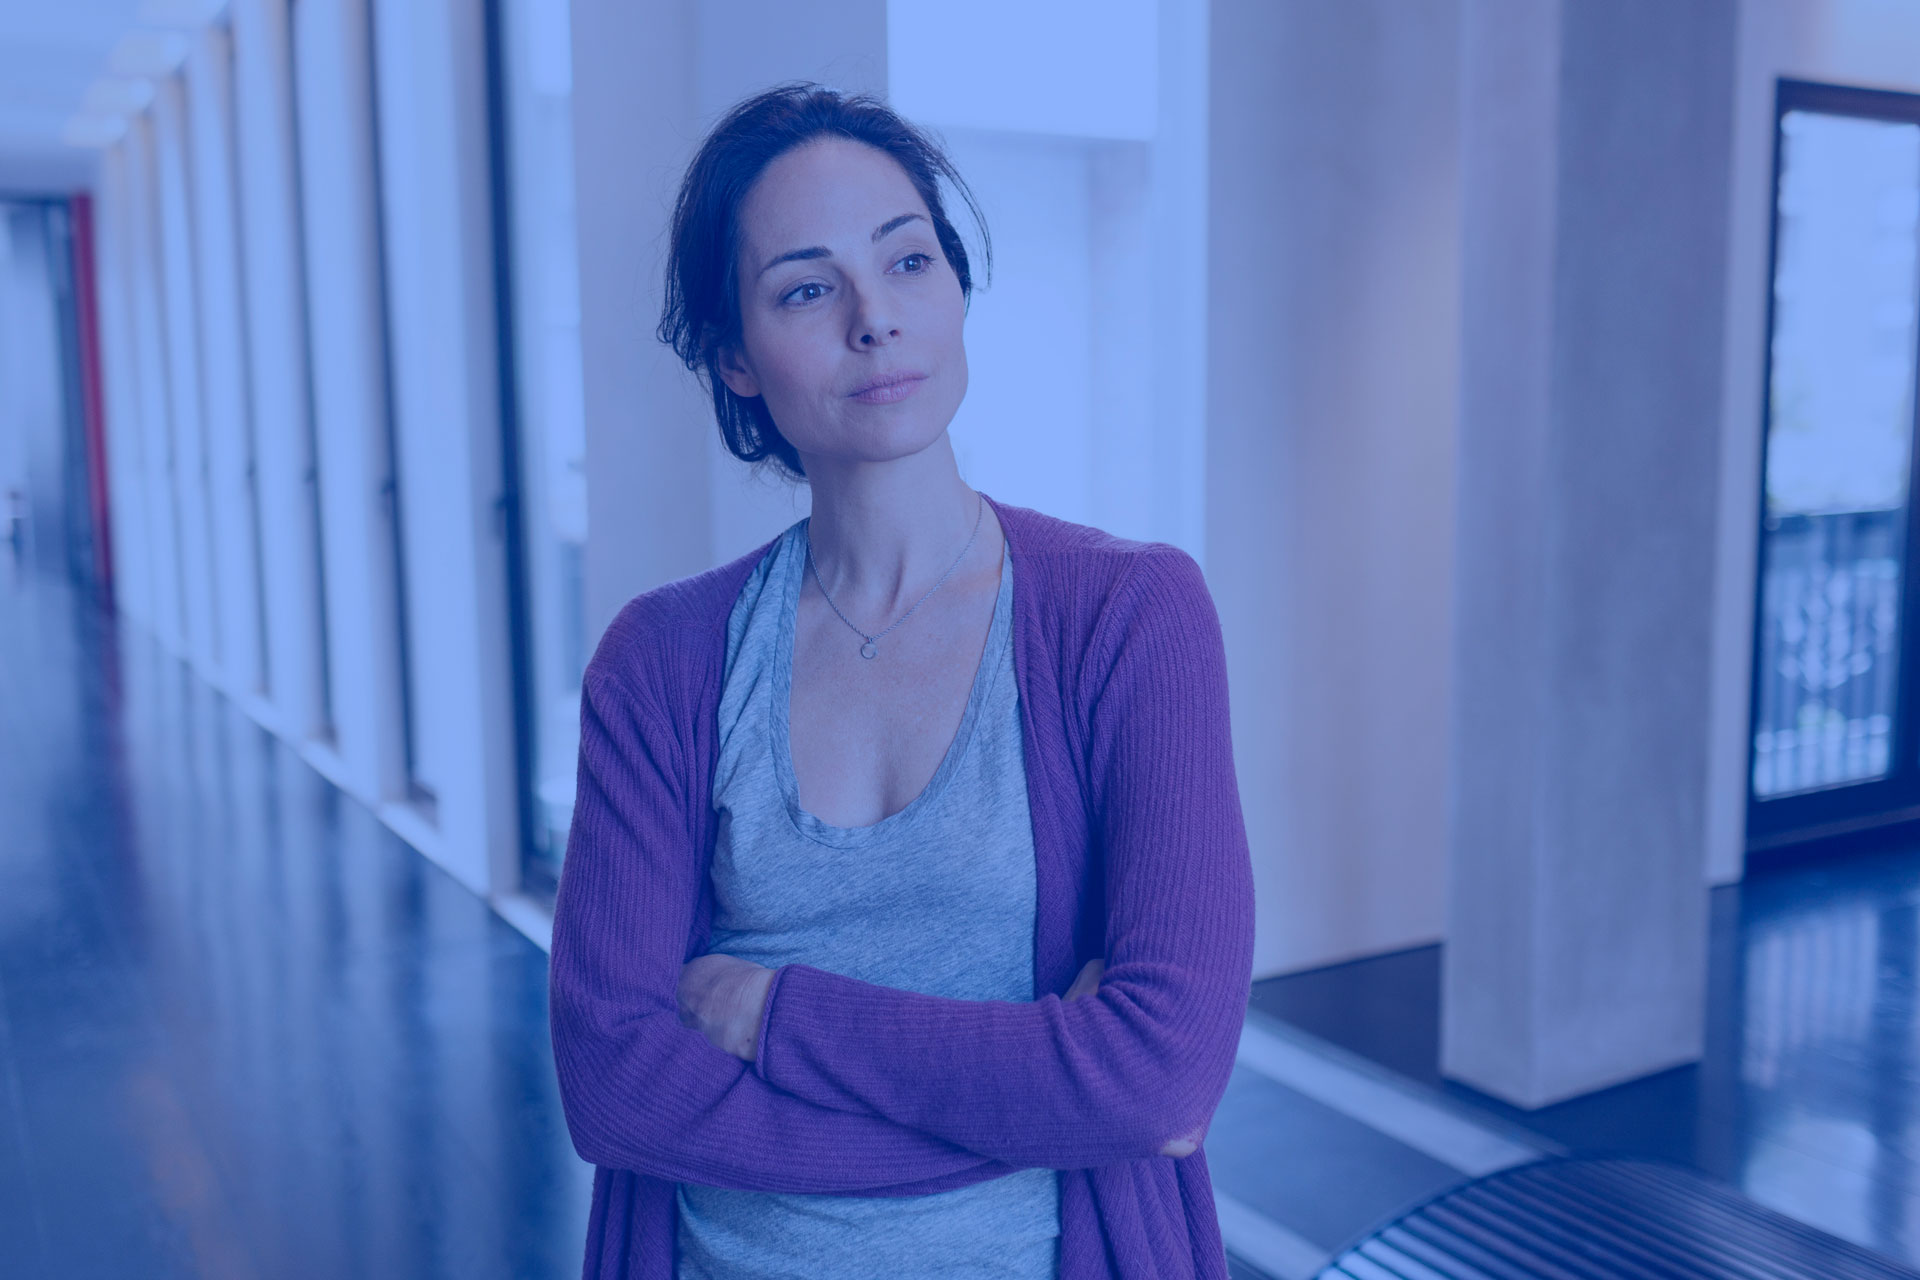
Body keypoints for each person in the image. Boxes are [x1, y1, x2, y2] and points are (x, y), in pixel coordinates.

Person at [548, 80, 1256, 1280]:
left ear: (957, 289)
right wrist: (1040, 1095)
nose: (875, 318)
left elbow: (1159, 1071)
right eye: (807, 287)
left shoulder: (1132, 617)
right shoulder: (661, 661)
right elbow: (615, 1085)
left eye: (910, 260)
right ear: (733, 355)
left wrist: (777, 1017)